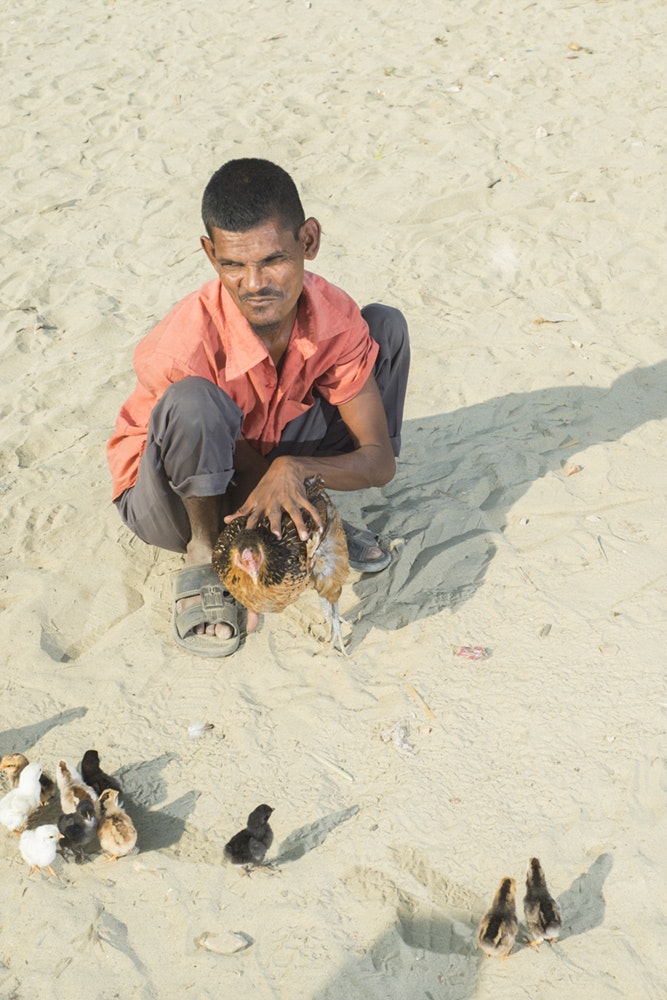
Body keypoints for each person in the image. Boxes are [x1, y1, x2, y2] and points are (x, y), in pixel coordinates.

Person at [108, 158, 410, 657]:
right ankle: (205, 558)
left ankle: (309, 511)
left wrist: (296, 469)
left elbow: (378, 462)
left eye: (272, 260)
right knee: (193, 401)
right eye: (232, 264)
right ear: (210, 254)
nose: (254, 283)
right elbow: (229, 458)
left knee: (386, 327)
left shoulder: (334, 318)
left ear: (308, 241)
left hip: (270, 451)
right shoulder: (183, 346)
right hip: (173, 496)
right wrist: (287, 489)